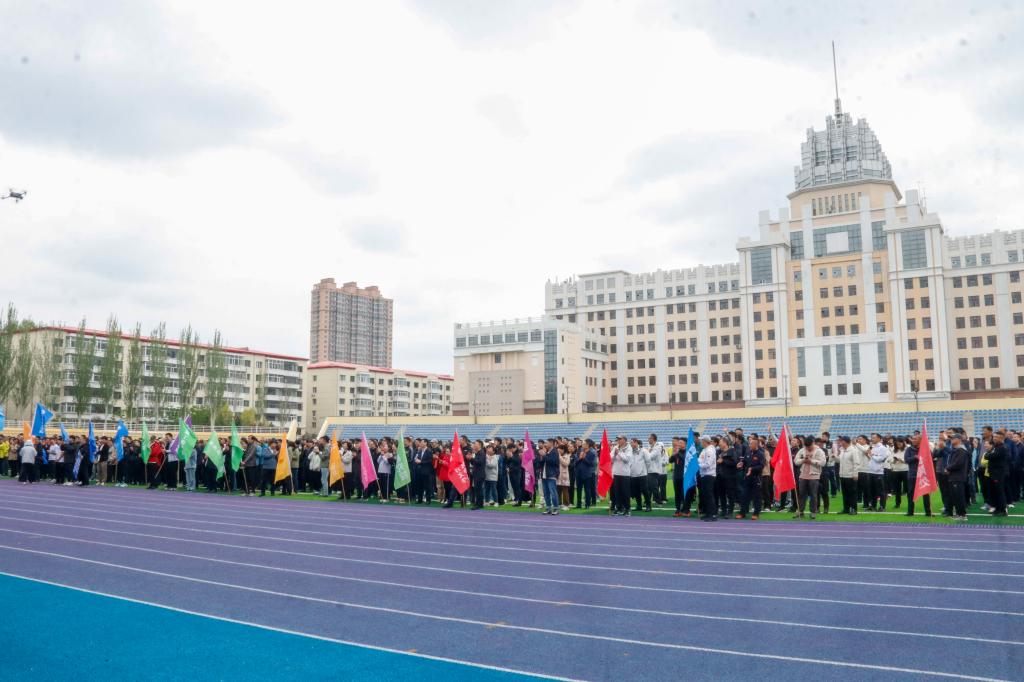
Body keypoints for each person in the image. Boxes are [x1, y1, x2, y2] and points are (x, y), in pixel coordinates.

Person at [794, 438, 826, 519]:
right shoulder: (802, 450)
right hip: (803, 475)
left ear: (813, 443)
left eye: (809, 446)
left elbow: (823, 463)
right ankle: (800, 511)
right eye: (806, 446)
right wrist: (803, 460)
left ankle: (813, 512)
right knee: (801, 494)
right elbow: (796, 461)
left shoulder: (819, 451)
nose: (808, 448)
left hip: (814, 475)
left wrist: (811, 461)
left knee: (813, 494)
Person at [736, 435, 764, 520]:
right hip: (747, 478)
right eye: (749, 444)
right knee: (744, 495)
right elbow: (744, 461)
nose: (749, 445)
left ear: (756, 445)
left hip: (756, 478)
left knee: (756, 497)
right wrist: (741, 463)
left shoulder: (760, 454)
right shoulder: (748, 452)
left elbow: (761, 466)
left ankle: (756, 513)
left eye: (751, 444)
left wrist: (752, 469)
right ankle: (742, 512)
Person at [904, 433, 932, 517]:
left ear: (920, 440)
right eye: (913, 439)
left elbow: (931, 459)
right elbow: (906, 460)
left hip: (923, 474)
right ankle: (910, 512)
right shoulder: (909, 449)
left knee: (926, 493)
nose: (913, 440)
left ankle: (928, 512)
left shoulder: (926, 449)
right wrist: (915, 457)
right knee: (911, 493)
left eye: (915, 439)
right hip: (912, 474)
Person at [946, 433, 970, 521]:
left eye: (953, 438)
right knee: (956, 496)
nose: (951, 439)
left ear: (959, 440)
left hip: (957, 477)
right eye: (951, 438)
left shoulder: (961, 450)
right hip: (955, 476)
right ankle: (959, 513)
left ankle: (962, 515)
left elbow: (958, 463)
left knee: (959, 496)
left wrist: (948, 468)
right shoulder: (957, 450)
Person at [987, 431, 1009, 517]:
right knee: (995, 492)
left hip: (998, 474)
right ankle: (997, 508)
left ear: (1001, 438)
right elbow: (990, 455)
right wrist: (989, 454)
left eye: (996, 437)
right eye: (994, 437)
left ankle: (1003, 510)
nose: (994, 438)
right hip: (994, 473)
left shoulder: (1002, 447)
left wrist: (988, 454)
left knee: (999, 492)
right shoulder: (996, 446)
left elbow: (990, 456)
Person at [610, 435, 632, 516]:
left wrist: (618, 453)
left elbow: (627, 459)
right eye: (617, 439)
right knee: (617, 492)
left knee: (625, 492)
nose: (618, 440)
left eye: (620, 439)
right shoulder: (615, 447)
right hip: (616, 473)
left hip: (625, 474)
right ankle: (619, 508)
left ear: (624, 440)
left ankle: (627, 509)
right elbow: (610, 458)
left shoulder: (629, 448)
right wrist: (615, 454)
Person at [697, 435, 717, 521]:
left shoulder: (709, 451)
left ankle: (712, 514)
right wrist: (697, 462)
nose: (701, 442)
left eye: (702, 441)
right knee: (705, 495)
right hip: (704, 474)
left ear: (705, 441)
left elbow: (708, 464)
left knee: (709, 495)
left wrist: (697, 465)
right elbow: (700, 460)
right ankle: (708, 513)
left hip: (709, 475)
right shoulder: (704, 450)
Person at [645, 434, 665, 509]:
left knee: (653, 487)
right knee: (649, 487)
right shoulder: (651, 447)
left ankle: (659, 501)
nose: (648, 440)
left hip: (654, 470)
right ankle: (648, 501)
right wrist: (648, 452)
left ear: (653, 439)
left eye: (649, 438)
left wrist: (647, 452)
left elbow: (650, 457)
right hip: (650, 470)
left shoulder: (657, 447)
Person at [628, 437, 648, 513]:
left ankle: (648, 506)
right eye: (630, 443)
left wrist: (644, 470)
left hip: (642, 475)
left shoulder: (643, 451)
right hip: (633, 475)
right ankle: (639, 506)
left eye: (632, 442)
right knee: (636, 492)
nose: (631, 444)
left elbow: (648, 461)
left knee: (645, 491)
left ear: (636, 442)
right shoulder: (630, 452)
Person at [575, 439, 597, 509]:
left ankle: (587, 504)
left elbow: (592, 464)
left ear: (588, 445)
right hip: (579, 473)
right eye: (583, 444)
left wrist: (584, 458)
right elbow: (575, 462)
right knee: (578, 489)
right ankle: (578, 504)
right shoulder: (580, 451)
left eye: (584, 444)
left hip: (587, 474)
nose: (582, 445)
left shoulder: (592, 453)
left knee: (587, 490)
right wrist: (580, 458)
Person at [540, 442, 560, 515]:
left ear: (551, 444)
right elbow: (541, 463)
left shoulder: (555, 452)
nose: (545, 444)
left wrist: (544, 455)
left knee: (553, 492)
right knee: (546, 493)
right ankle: (548, 508)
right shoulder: (546, 452)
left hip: (551, 475)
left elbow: (552, 462)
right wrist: (541, 457)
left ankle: (556, 508)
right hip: (544, 475)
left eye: (546, 443)